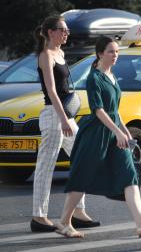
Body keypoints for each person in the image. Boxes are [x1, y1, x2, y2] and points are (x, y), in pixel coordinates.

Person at [56, 36, 141, 238]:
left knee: (129, 175)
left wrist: (124, 132)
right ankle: (64, 221)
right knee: (83, 177)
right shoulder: (94, 77)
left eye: (116, 51)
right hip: (96, 133)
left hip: (114, 132)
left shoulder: (112, 76)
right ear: (99, 54)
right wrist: (116, 131)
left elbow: (115, 111)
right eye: (110, 52)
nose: (115, 55)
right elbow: (98, 110)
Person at [31, 15, 99, 233]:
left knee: (82, 158)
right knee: (45, 166)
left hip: (65, 114)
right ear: (51, 32)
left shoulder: (60, 53)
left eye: (67, 30)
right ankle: (39, 217)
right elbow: (51, 91)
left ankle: (78, 212)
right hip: (53, 115)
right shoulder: (46, 55)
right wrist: (63, 119)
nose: (67, 33)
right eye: (63, 30)